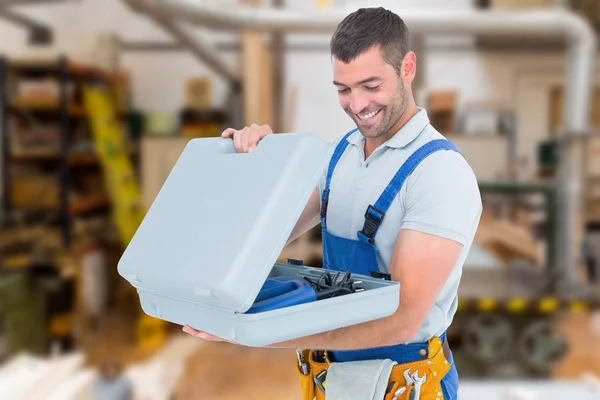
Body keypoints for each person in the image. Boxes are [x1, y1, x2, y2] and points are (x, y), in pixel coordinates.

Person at [183, 7, 482, 400]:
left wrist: (255, 332)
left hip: (404, 383)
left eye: (371, 86)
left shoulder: (439, 173)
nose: (356, 105)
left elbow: (402, 319)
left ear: (408, 67)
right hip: (332, 379)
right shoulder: (339, 154)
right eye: (343, 89)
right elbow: (262, 236)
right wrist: (252, 167)